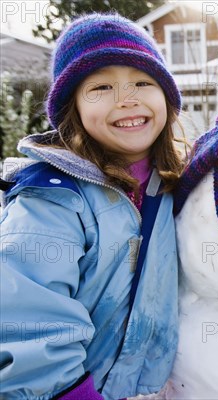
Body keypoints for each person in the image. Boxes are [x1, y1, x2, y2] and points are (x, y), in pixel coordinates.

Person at [0, 13, 185, 399]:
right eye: (101, 86)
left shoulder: (169, 187)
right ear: (74, 110)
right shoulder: (51, 199)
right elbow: (28, 328)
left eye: (142, 82)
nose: (127, 98)